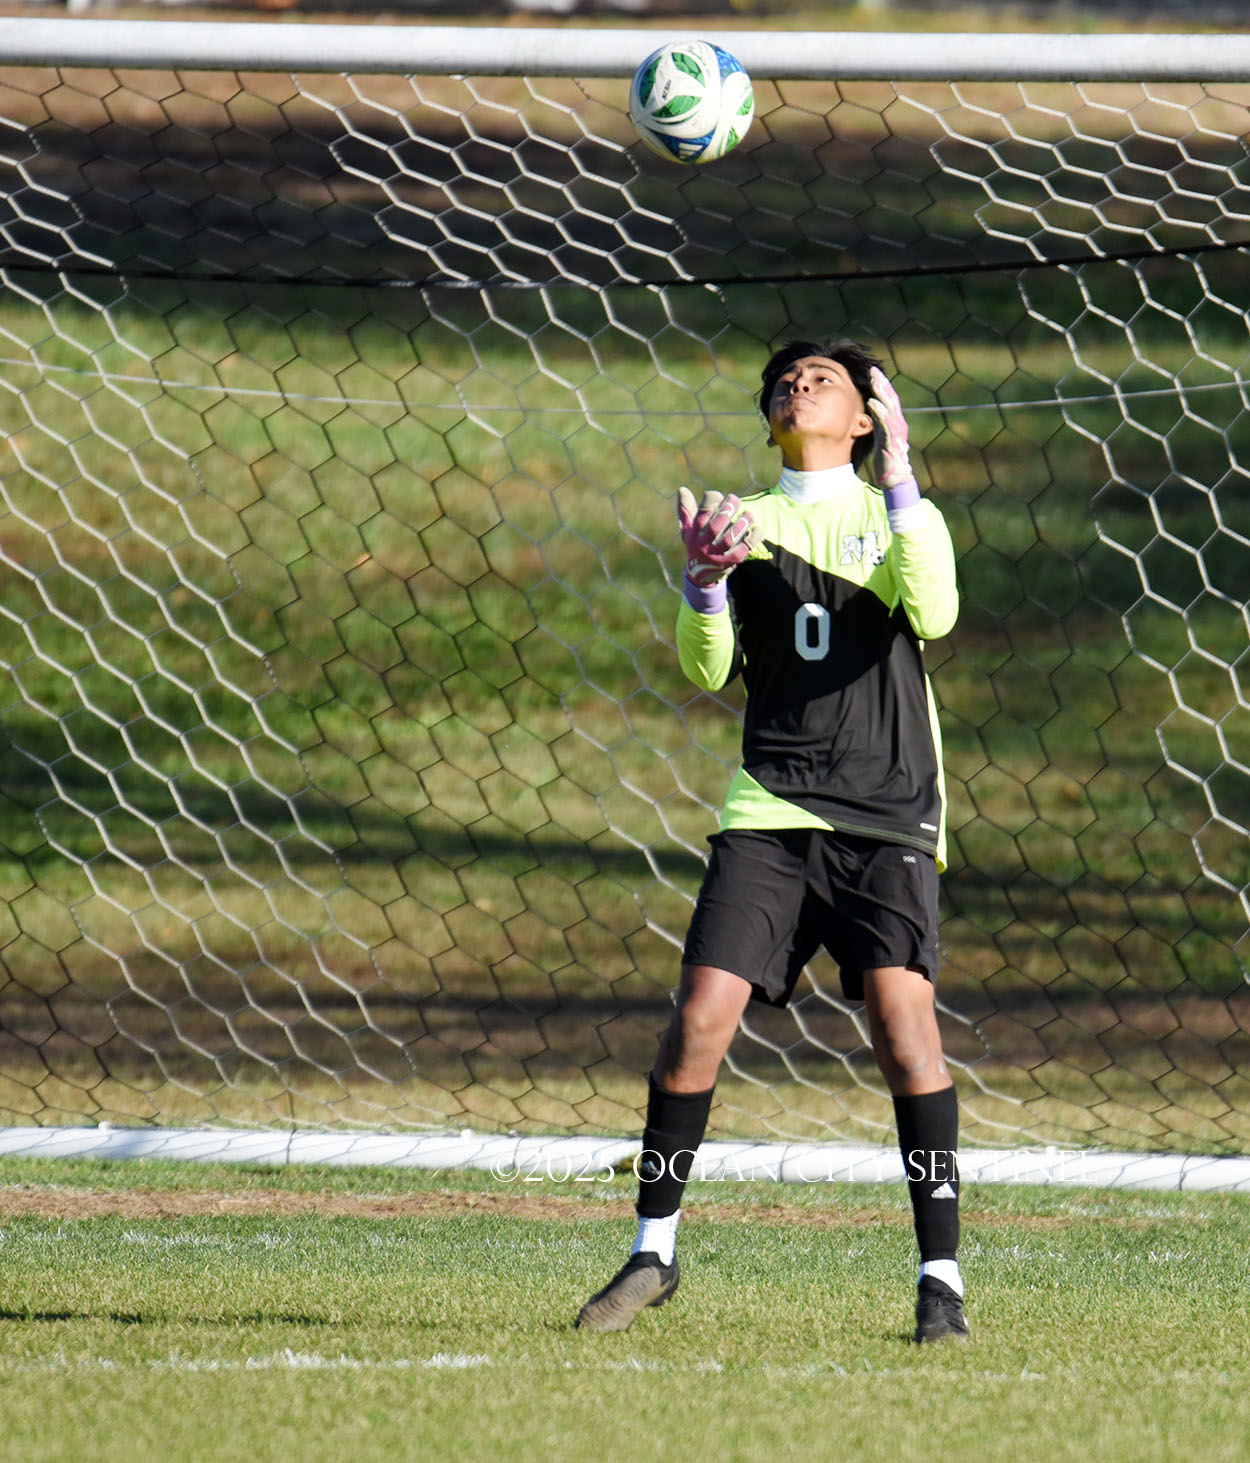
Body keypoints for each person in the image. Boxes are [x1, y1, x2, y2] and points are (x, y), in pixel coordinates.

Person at [575, 339, 967, 1344]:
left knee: (904, 1033)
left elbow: (935, 608)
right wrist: (704, 580)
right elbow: (707, 668)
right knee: (697, 1019)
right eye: (784, 382)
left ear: (866, 417)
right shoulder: (741, 524)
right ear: (768, 419)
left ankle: (940, 1280)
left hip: (886, 812)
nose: (798, 386)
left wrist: (901, 484)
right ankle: (652, 1251)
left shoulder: (898, 513)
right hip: (770, 808)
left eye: (823, 379)